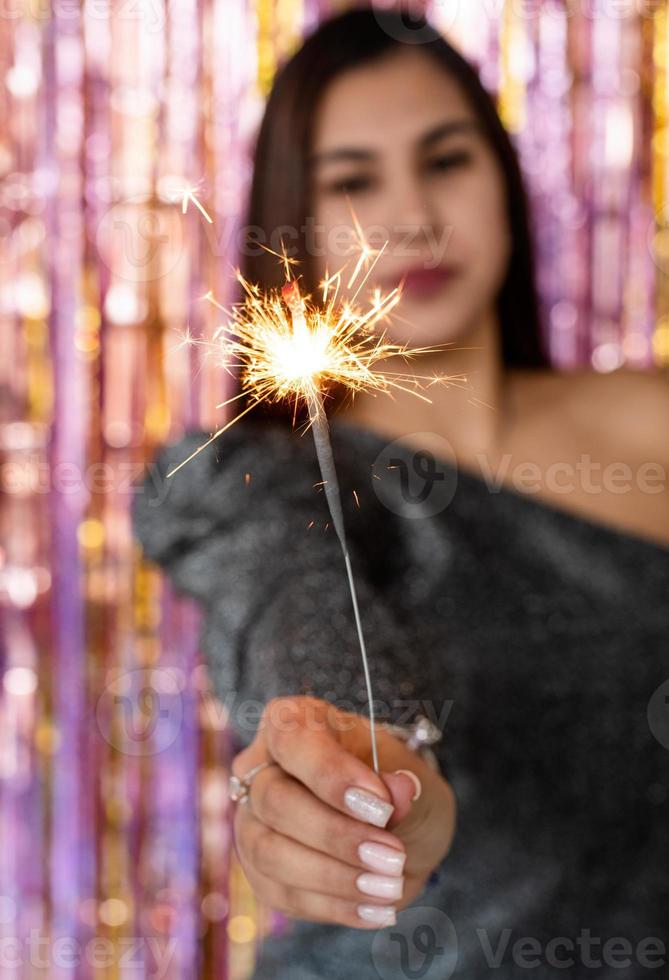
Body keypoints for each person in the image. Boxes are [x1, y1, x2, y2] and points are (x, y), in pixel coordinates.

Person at [133, 7, 669, 978]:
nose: (411, 214)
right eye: (353, 180)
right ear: (295, 221)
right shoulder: (261, 480)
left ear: (503, 181)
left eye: (446, 160)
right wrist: (354, 770)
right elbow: (298, 623)